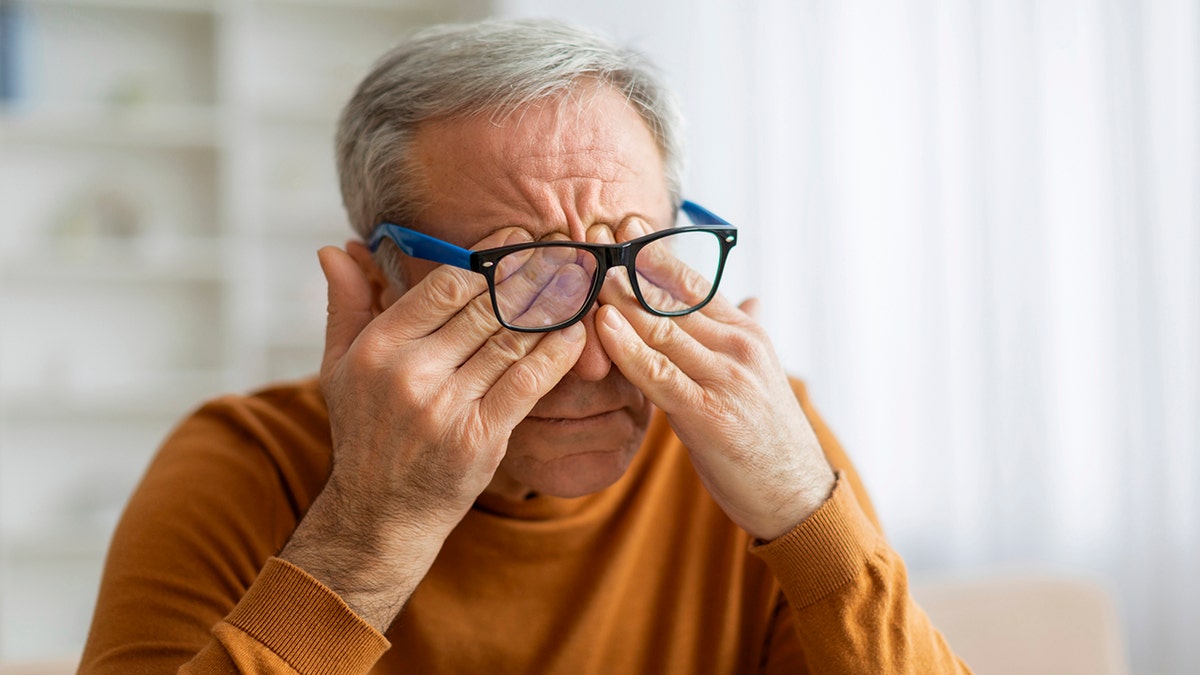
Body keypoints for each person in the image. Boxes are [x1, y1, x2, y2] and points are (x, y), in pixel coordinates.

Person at [79, 18, 970, 674]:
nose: (596, 359)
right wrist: (373, 528)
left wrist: (808, 514)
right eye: (524, 283)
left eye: (631, 259)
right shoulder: (241, 465)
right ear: (378, 286)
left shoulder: (759, 437)